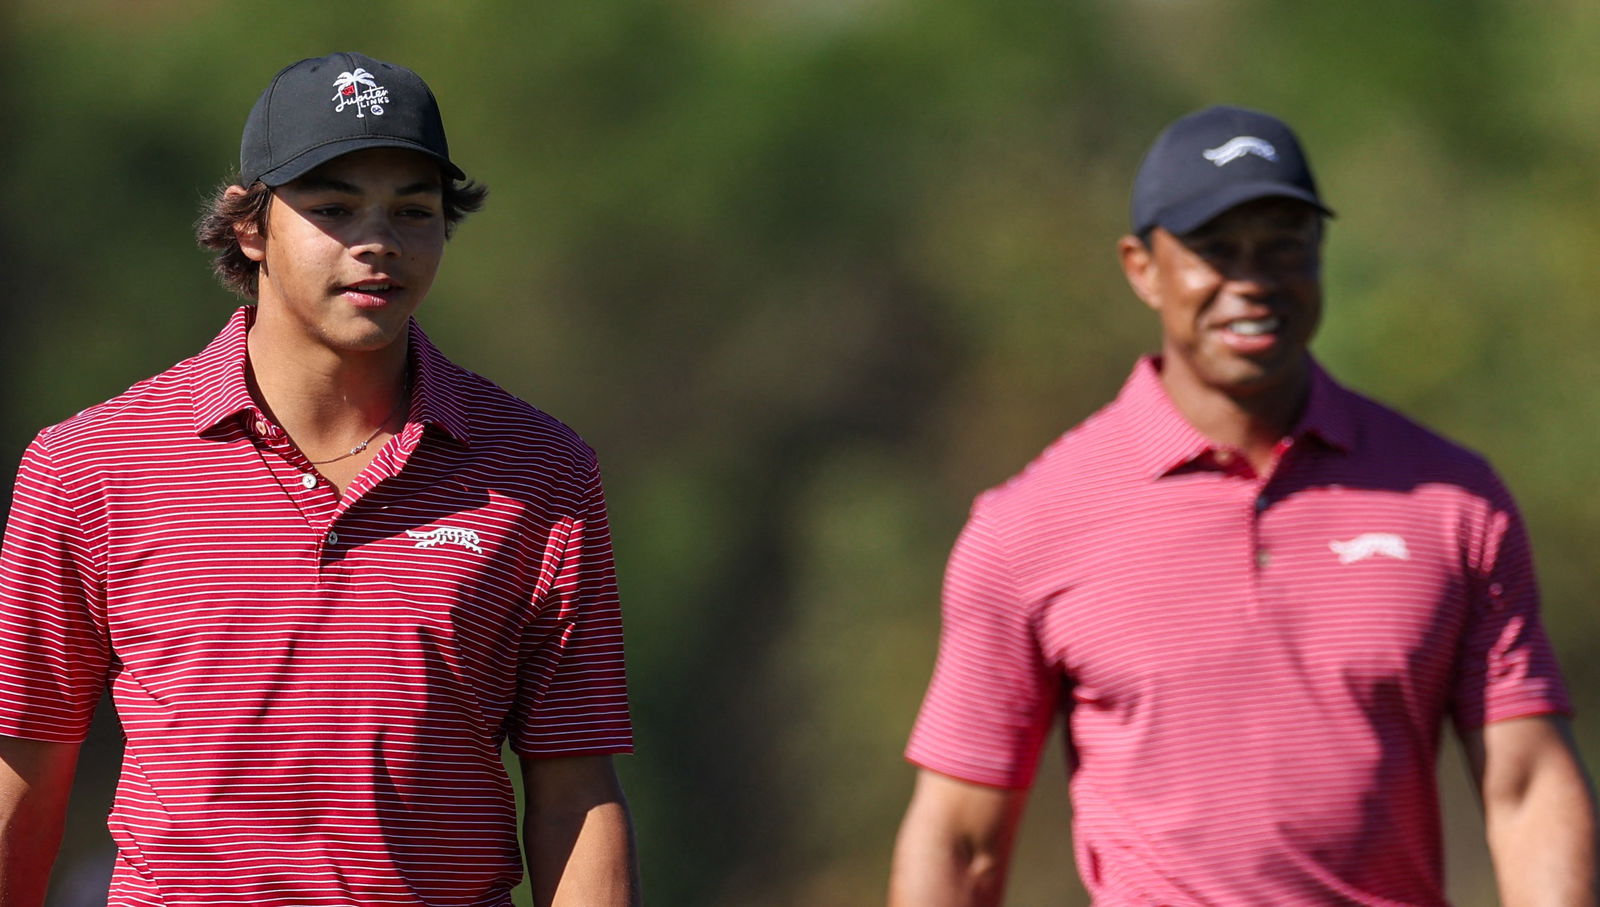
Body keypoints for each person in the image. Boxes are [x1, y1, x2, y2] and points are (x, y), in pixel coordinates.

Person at [889, 105, 1598, 905]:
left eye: (1282, 247)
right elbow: (960, 837)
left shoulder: (1451, 500)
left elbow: (1528, 785)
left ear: (1319, 254)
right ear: (1142, 268)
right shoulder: (1030, 525)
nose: (1252, 282)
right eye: (1214, 251)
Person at [0, 52, 639, 906]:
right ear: (250, 227)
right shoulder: (92, 464)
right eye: (334, 208)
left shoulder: (541, 469)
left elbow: (575, 787)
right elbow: (25, 763)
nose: (379, 240)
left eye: (414, 211)